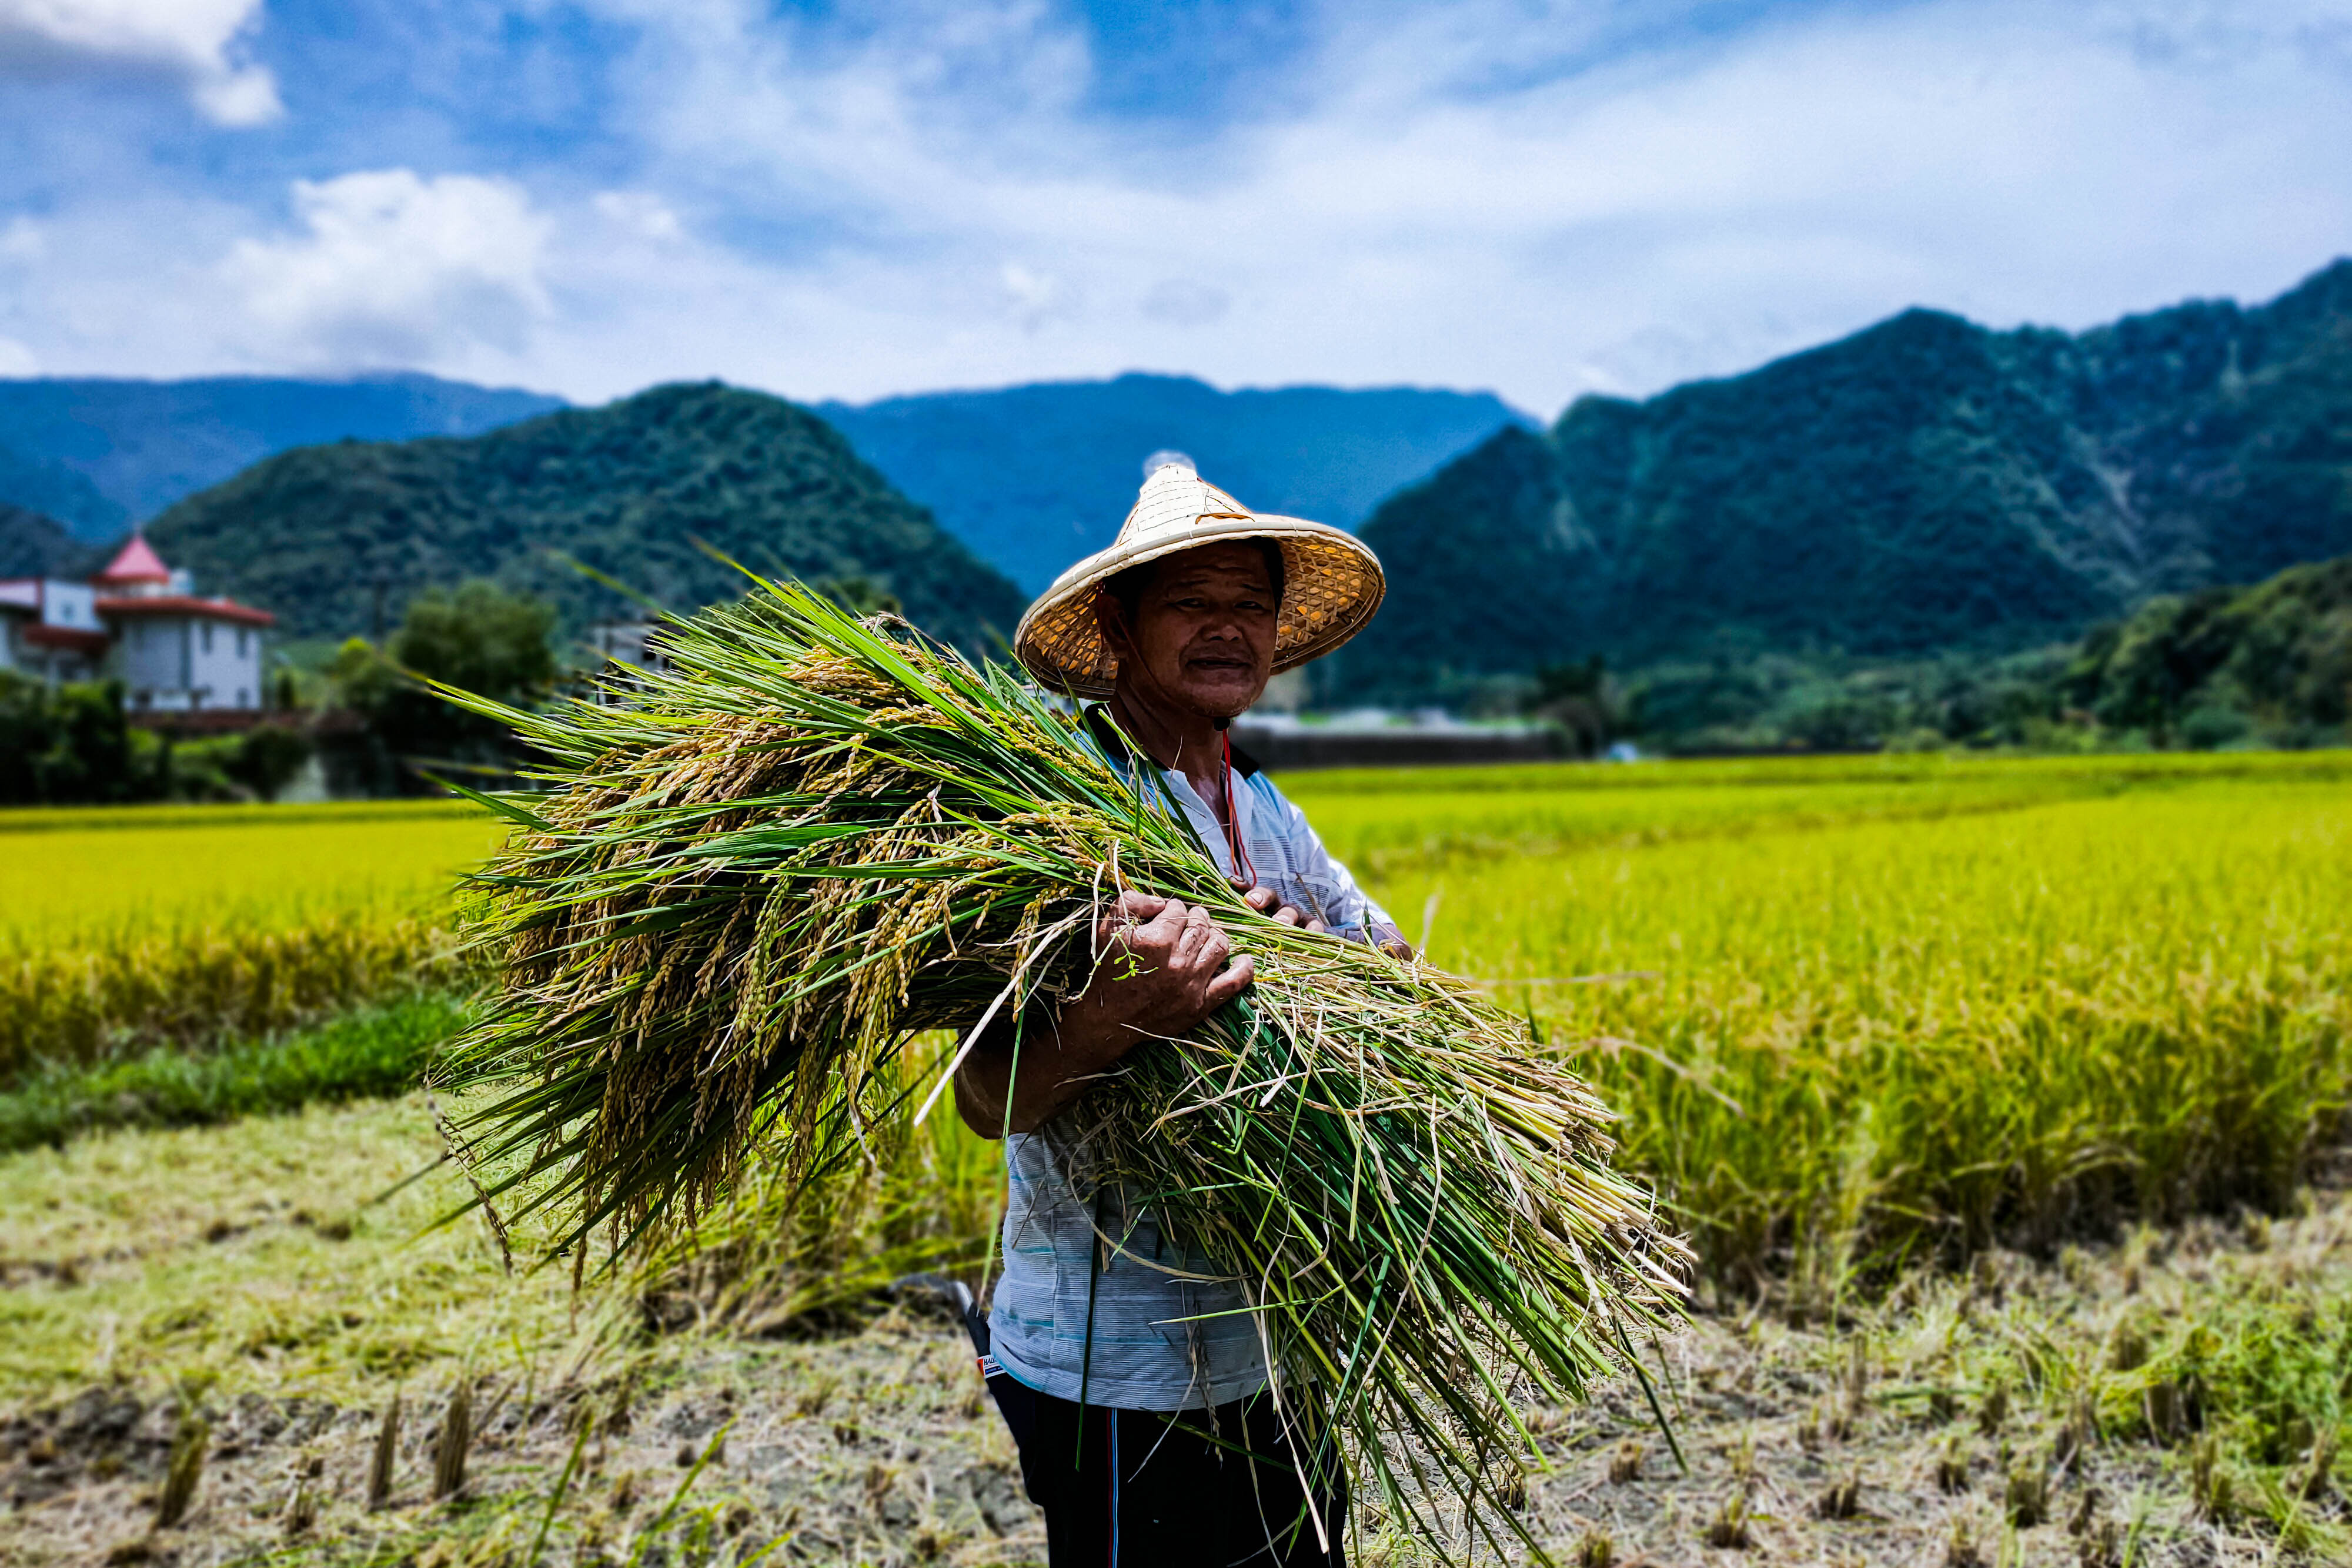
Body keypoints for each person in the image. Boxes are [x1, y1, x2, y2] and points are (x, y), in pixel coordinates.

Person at [953, 457, 1405, 1566]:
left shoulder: (1258, 802)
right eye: (1191, 603)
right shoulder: (1053, 804)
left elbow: (1396, 964)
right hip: (1115, 1366)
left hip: (1279, 1342)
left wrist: (1310, 969)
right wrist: (1127, 1015)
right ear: (1118, 620)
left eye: (1249, 605)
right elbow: (980, 1094)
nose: (1227, 630)